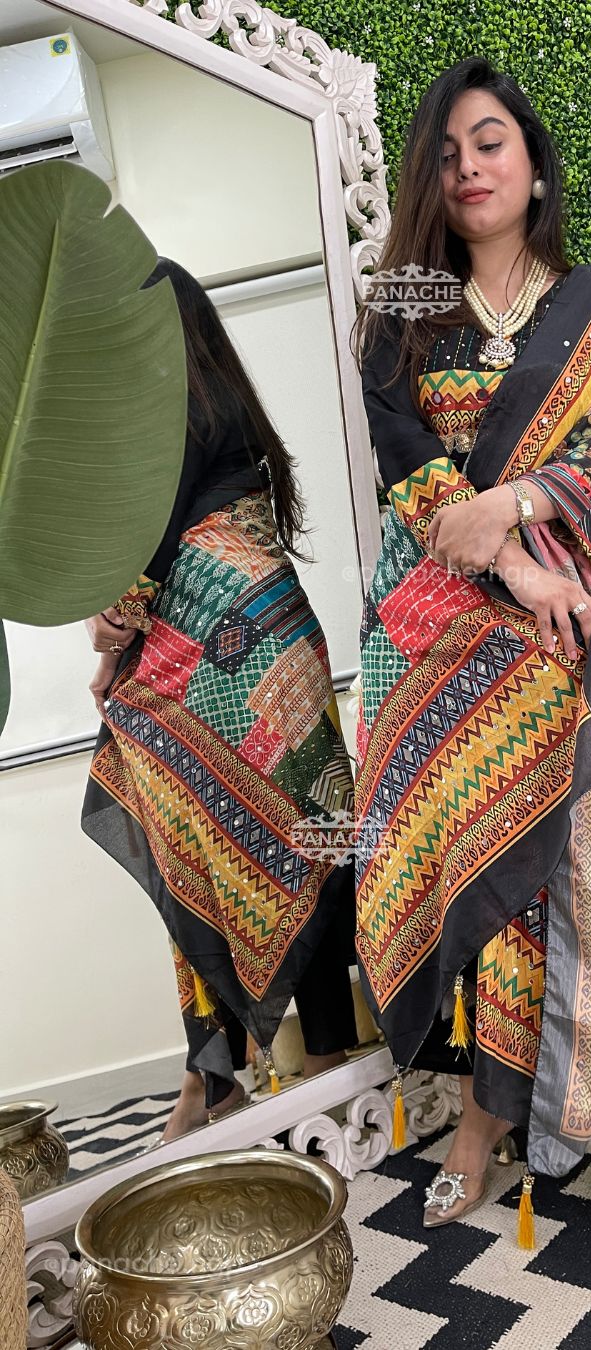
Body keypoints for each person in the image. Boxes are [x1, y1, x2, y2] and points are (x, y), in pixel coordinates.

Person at [351, 58, 591, 1334]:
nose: (470, 167)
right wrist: (504, 550)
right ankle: (486, 1117)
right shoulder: (402, 316)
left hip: (564, 641)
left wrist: (518, 505)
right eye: (447, 152)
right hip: (440, 642)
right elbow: (408, 464)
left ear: (534, 165)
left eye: (491, 140)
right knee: (478, 881)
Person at [81, 257, 359, 1141]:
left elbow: (152, 553)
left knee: (201, 864)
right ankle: (307, 1058)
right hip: (278, 654)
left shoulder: (177, 419)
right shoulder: (231, 412)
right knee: (306, 850)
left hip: (222, 676)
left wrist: (111, 630)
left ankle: (219, 1074)